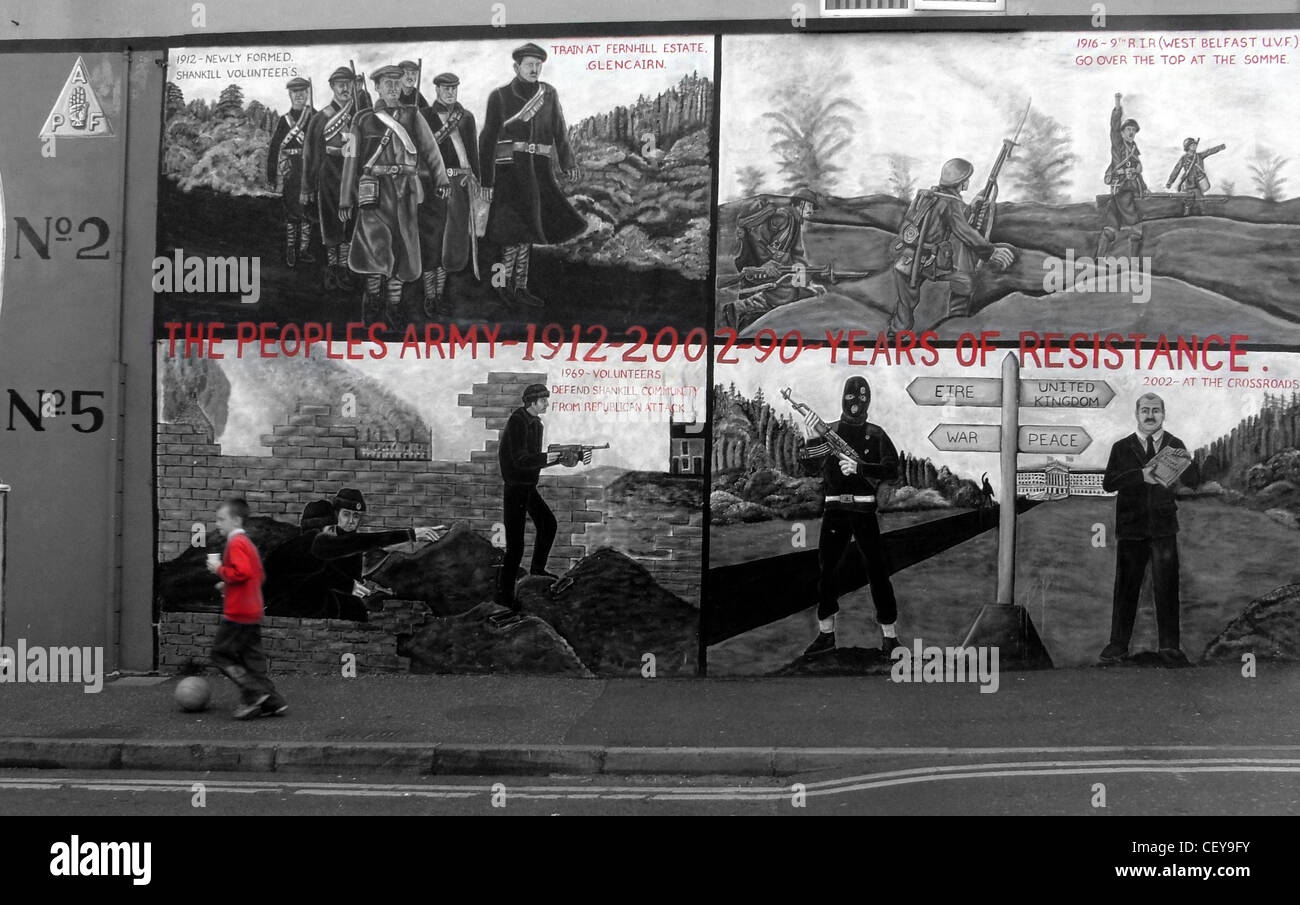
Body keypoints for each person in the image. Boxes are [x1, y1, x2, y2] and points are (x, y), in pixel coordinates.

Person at [797, 377, 903, 658]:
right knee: (827, 571)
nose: (856, 403)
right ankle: (826, 633)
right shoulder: (828, 431)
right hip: (835, 511)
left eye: (862, 397)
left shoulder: (876, 434)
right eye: (851, 397)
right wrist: (810, 439)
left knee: (878, 571)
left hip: (864, 509)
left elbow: (891, 470)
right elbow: (808, 469)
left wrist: (859, 467)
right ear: (843, 397)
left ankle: (890, 636)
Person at [478, 42, 586, 309]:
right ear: (517, 67)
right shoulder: (500, 96)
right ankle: (503, 288)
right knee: (511, 233)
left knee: (528, 232)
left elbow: (560, 130)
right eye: (529, 65)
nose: (535, 69)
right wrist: (486, 180)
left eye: (538, 65)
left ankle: (520, 287)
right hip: (510, 171)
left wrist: (568, 162)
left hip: (538, 171)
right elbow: (487, 140)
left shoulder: (549, 94)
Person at [339, 65, 450, 321]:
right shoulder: (362, 119)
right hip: (373, 193)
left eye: (396, 83)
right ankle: (373, 300)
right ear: (376, 87)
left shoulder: (412, 116)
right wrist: (345, 197)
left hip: (404, 192)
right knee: (374, 250)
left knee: (402, 252)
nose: (392, 88)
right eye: (386, 83)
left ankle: (394, 305)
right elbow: (351, 160)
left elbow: (431, 150)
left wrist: (441, 178)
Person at [1100, 393, 1201, 666]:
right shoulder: (1122, 447)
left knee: (1167, 588)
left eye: (1155, 410)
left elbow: (1194, 481)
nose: (1150, 415)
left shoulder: (1174, 444)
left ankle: (1169, 646)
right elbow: (1108, 483)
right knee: (1126, 588)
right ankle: (1117, 645)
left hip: (1163, 528)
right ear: (1137, 413)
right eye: (1145, 410)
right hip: (1131, 528)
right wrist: (1139, 476)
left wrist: (1188, 462)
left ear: (1163, 414)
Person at [887, 158, 1016, 334]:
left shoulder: (926, 196)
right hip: (929, 261)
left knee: (905, 305)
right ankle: (956, 323)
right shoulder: (951, 203)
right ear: (959, 181)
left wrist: (972, 206)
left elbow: (941, 217)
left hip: (907, 260)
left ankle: (896, 334)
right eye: (966, 179)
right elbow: (965, 232)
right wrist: (990, 252)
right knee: (965, 281)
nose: (968, 182)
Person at [495, 384, 588, 617]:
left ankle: (537, 569)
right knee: (516, 546)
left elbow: (536, 460)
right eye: (544, 400)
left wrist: (570, 457)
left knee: (548, 524)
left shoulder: (536, 423)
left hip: (528, 486)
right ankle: (504, 596)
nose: (547, 404)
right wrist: (553, 456)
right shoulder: (518, 421)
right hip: (515, 488)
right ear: (533, 402)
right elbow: (520, 459)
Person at [205, 497, 288, 719]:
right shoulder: (248, 544)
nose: (217, 524)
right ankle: (273, 702)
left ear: (236, 520)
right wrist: (228, 584)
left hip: (238, 613)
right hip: (251, 610)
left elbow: (240, 572)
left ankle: (253, 694)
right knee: (252, 658)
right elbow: (257, 575)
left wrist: (219, 570)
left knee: (220, 654)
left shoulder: (235, 543)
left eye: (221, 519)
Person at [309, 488, 445, 621]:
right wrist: (411, 534)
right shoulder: (326, 540)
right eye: (346, 514)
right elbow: (364, 541)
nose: (351, 520)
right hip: (325, 610)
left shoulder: (353, 541)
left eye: (356, 516)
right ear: (336, 515)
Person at [301, 66, 371, 291]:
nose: (344, 88)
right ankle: (333, 269)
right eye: (340, 84)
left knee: (350, 222)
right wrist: (308, 186)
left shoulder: (359, 116)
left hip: (353, 174)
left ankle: (345, 268)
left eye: (348, 83)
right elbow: (310, 154)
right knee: (331, 222)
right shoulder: (321, 118)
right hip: (329, 173)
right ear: (332, 87)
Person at [418, 71, 481, 317]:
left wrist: (476, 179)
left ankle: (439, 295)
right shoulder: (424, 117)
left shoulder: (466, 118)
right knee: (432, 242)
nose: (450, 93)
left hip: (459, 186)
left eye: (453, 88)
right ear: (437, 90)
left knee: (450, 244)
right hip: (433, 186)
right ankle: (429, 295)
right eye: (445, 88)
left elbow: (472, 154)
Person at [723, 187, 823, 331]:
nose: (812, 211)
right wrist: (766, 263)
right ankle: (738, 309)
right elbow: (756, 237)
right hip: (759, 268)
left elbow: (797, 254)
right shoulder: (784, 216)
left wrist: (806, 279)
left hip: (776, 270)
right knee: (783, 295)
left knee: (800, 293)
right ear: (801, 204)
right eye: (810, 206)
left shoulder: (796, 222)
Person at [267, 76, 316, 269]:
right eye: (295, 93)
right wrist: (272, 176)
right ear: (290, 94)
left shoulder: (316, 117)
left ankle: (303, 249)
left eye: (303, 92)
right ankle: (290, 248)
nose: (299, 96)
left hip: (310, 170)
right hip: (291, 172)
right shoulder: (284, 121)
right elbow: (274, 149)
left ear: (307, 94)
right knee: (292, 212)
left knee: (307, 212)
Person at [1098, 92, 1148, 256]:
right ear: (1123, 131)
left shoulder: (1134, 150)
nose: (1131, 132)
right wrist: (1117, 104)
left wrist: (1144, 187)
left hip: (1122, 190)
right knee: (1137, 227)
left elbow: (1136, 173)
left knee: (1110, 228)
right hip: (1123, 189)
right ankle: (1133, 262)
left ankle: (1099, 259)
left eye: (1134, 130)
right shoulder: (1118, 144)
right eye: (1128, 129)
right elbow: (1113, 127)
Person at [1166, 137, 1226, 217]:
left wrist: (1220, 147)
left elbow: (1209, 151)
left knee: (1200, 197)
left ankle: (1203, 213)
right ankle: (1187, 213)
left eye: (1195, 144)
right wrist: (1170, 182)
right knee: (1188, 198)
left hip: (1199, 180)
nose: (1194, 146)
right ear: (1187, 147)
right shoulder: (1184, 158)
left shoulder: (1199, 156)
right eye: (1192, 145)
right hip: (1189, 182)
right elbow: (1176, 170)